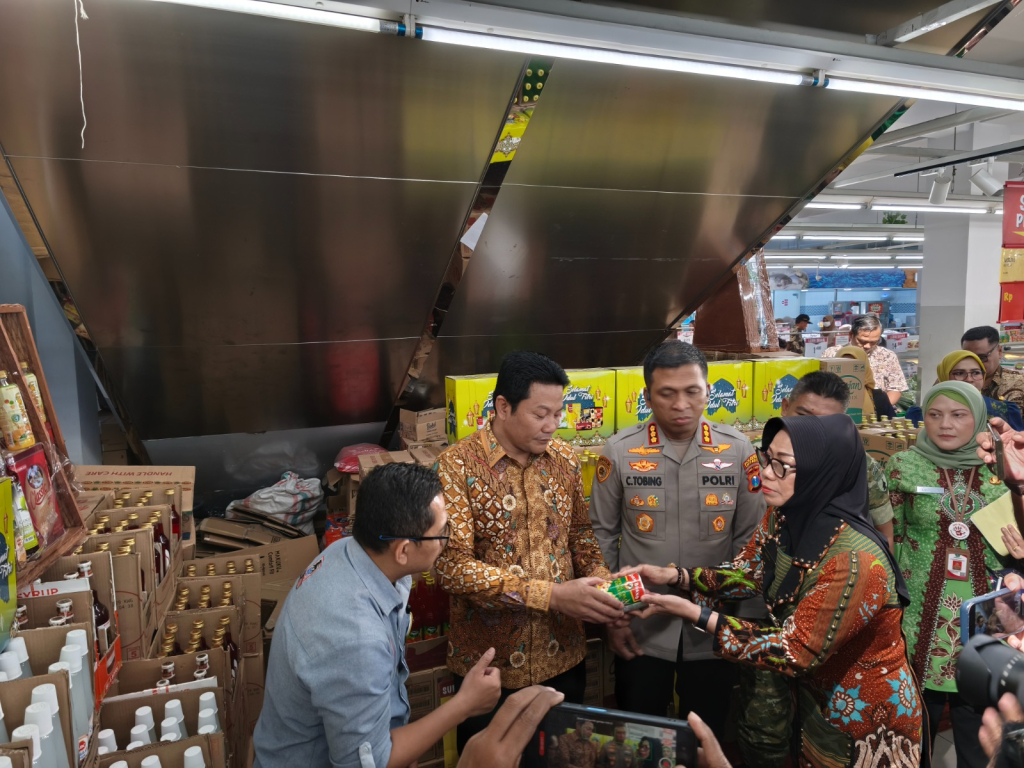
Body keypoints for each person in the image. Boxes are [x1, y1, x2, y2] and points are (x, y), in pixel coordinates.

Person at [625, 414, 922, 767]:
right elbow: (746, 573)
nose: (766, 473)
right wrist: (675, 576)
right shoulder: (785, 517)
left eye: (784, 466)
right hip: (818, 703)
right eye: (767, 458)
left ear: (822, 473)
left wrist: (694, 613)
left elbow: (795, 651)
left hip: (865, 720)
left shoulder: (855, 560)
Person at [253, 463, 501, 768]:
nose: (447, 541)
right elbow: (372, 762)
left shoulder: (347, 550)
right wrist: (464, 704)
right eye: (441, 533)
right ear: (403, 551)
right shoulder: (355, 641)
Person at [435, 351, 621, 751]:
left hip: (564, 657)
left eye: (558, 413)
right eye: (541, 414)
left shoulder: (565, 460)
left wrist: (605, 588)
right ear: (503, 406)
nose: (553, 425)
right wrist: (550, 595)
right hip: (489, 669)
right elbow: (451, 567)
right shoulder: (456, 466)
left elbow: (582, 539)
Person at [590, 341, 764, 728]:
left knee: (708, 733)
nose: (681, 404)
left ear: (707, 391)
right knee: (639, 734)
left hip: (714, 626)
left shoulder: (738, 450)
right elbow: (601, 536)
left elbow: (751, 540)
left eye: (692, 392)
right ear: (648, 396)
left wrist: (746, 622)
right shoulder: (619, 452)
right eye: (666, 393)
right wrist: (611, 617)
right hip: (640, 625)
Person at [887, 381, 1015, 768]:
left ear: (976, 417)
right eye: (934, 414)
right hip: (918, 615)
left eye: (958, 415)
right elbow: (888, 539)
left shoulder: (1002, 466)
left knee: (977, 728)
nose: (945, 424)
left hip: (986, 615)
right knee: (916, 726)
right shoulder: (902, 466)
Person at [907, 350, 1024, 433]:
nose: (969, 379)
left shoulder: (1004, 411)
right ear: (944, 376)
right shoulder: (922, 413)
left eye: (976, 373)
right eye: (959, 373)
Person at [822, 315, 907, 406]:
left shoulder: (888, 356)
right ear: (851, 335)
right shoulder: (831, 354)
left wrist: (879, 408)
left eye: (874, 342)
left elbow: (895, 388)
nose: (868, 346)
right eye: (862, 341)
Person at [962, 326, 1024, 411]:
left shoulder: (1019, 383)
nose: (975, 363)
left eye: (982, 357)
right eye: (968, 357)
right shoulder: (950, 379)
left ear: (999, 351)